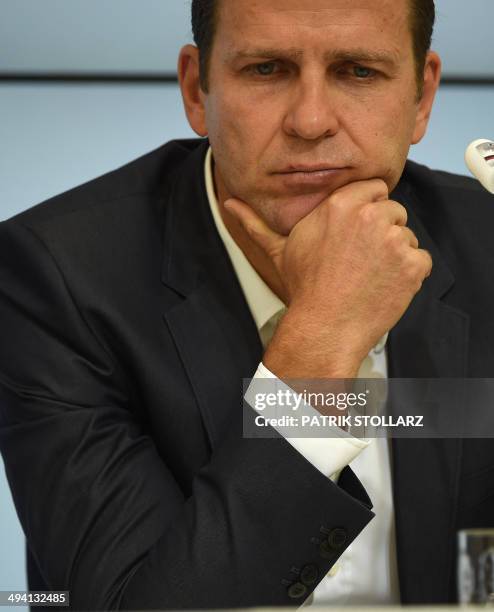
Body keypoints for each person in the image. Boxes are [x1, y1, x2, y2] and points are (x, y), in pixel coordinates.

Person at [1, 0, 493, 609]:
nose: (311, 121)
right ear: (196, 90)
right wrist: (322, 334)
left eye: (358, 71)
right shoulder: (59, 278)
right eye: (266, 69)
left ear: (421, 98)